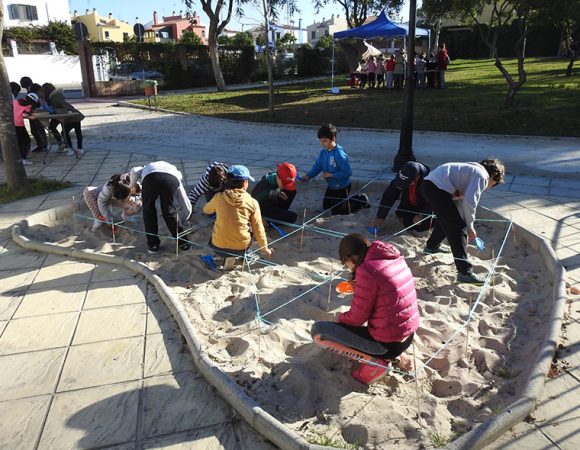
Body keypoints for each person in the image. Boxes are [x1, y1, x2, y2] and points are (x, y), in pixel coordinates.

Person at [311, 233, 419, 385]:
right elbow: (385, 294)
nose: (348, 268)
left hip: (388, 345)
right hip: (407, 336)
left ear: (350, 258)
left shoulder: (367, 270)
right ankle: (393, 358)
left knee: (319, 331)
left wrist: (339, 320)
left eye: (346, 264)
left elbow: (356, 319)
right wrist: (360, 287)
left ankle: (375, 364)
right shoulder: (391, 257)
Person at [420, 159, 505, 285]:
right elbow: (470, 202)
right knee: (459, 228)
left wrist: (465, 220)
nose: (489, 187)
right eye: (493, 184)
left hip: (429, 185)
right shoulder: (482, 176)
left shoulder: (471, 170)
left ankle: (431, 247)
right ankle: (465, 273)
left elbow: (461, 201)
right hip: (436, 188)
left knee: (450, 220)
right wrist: (470, 227)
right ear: (493, 176)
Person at [203, 165, 272, 259]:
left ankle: (222, 257)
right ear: (245, 183)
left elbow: (206, 210)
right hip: (241, 248)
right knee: (250, 228)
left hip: (218, 247)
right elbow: (258, 229)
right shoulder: (252, 202)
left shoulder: (218, 197)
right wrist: (265, 249)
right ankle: (247, 255)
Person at [301, 124, 369, 215]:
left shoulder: (339, 154)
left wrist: (332, 175)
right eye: (320, 141)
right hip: (332, 186)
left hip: (342, 186)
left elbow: (348, 172)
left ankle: (361, 199)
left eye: (324, 141)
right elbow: (317, 166)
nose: (322, 143)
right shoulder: (323, 152)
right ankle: (343, 201)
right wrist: (308, 176)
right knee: (326, 206)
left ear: (333, 138)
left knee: (337, 211)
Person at [129, 161, 192, 253]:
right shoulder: (176, 176)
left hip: (151, 179)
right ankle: (184, 244)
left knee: (148, 210)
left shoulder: (147, 167)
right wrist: (183, 220)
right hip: (170, 181)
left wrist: (132, 185)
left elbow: (134, 170)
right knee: (170, 212)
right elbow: (186, 205)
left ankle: (153, 245)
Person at [370, 161, 432, 232]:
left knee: (418, 226)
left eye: (407, 182)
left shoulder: (429, 182)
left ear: (417, 177)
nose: (405, 184)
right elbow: (389, 195)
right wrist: (380, 216)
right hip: (409, 204)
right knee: (402, 216)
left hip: (426, 206)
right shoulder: (403, 175)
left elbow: (435, 202)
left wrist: (422, 215)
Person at [42, 83, 84, 155]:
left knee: (64, 132)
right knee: (78, 132)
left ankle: (69, 148)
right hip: (75, 115)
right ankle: (80, 148)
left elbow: (59, 109)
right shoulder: (57, 96)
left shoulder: (53, 98)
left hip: (69, 117)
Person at [20, 78, 48, 153]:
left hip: (35, 113)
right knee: (36, 130)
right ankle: (42, 146)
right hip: (33, 112)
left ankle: (42, 146)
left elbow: (35, 103)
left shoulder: (32, 90)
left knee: (38, 130)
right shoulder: (31, 90)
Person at [13, 92, 39, 165]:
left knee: (18, 141)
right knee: (26, 140)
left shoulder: (15, 101)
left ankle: (18, 158)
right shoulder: (28, 105)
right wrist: (34, 117)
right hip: (19, 125)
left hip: (12, 124)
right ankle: (23, 159)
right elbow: (25, 115)